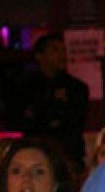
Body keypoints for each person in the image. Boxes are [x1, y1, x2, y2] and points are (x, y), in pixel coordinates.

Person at [8, 34, 89, 164]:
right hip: (34, 154)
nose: (62, 55)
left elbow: (73, 123)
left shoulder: (76, 88)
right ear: (39, 56)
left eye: (63, 50)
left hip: (68, 156)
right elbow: (20, 120)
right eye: (55, 50)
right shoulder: (25, 87)